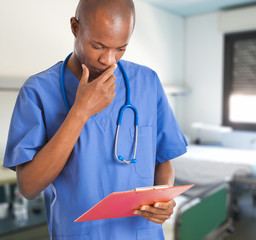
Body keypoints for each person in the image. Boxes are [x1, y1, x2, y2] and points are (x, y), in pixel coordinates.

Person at [3, 0, 187, 239]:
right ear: (75, 27)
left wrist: (162, 197)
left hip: (140, 232)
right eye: (98, 46)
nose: (109, 59)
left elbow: (162, 160)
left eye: (121, 48)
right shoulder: (38, 91)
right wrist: (80, 112)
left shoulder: (147, 82)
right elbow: (28, 187)